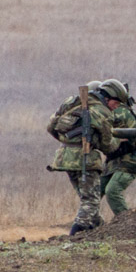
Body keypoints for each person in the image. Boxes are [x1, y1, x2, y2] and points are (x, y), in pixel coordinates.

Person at [46, 83, 119, 235]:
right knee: (91, 200)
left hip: (64, 158)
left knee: (88, 200)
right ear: (107, 98)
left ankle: (100, 231)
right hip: (85, 159)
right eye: (116, 102)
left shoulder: (72, 102)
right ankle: (75, 234)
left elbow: (51, 126)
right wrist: (118, 141)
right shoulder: (102, 111)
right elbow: (107, 145)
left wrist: (69, 142)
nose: (116, 107)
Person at [98, 79, 136, 216]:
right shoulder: (106, 111)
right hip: (115, 159)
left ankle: (128, 223)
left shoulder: (118, 111)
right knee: (95, 192)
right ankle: (90, 222)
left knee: (112, 191)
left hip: (131, 158)